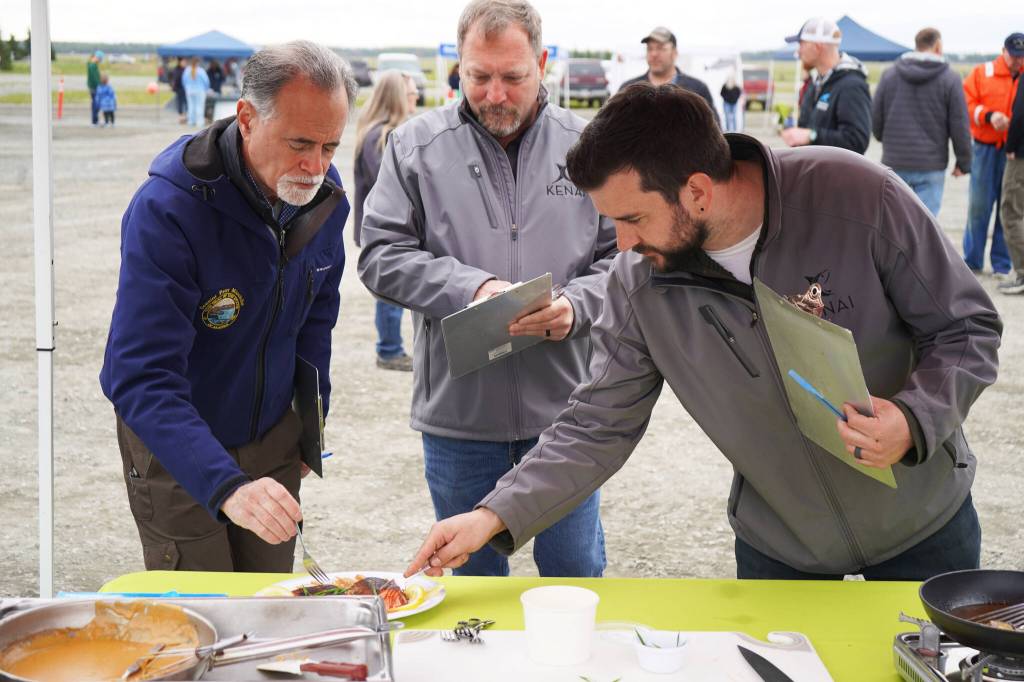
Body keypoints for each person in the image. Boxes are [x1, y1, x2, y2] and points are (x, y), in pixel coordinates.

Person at [405, 84, 1002, 584]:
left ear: (696, 190)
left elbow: (966, 327)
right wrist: (492, 515)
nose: (624, 243)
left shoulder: (858, 194)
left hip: (926, 529)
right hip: (781, 551)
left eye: (633, 218)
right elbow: (595, 425)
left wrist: (914, 418)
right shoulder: (635, 282)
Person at [359, 0, 617, 578]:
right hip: (460, 419)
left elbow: (626, 259)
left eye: (512, 77)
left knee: (574, 574)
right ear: (458, 67)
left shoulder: (590, 147)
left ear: (543, 63)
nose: (495, 94)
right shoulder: (414, 147)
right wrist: (472, 289)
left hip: (565, 417)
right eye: (478, 77)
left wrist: (577, 306)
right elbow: (379, 256)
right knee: (472, 595)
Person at [99, 41, 357, 572]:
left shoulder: (324, 200)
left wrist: (310, 423)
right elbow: (139, 376)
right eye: (300, 143)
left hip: (271, 438)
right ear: (246, 118)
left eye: (330, 146)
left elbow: (316, 322)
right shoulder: (168, 211)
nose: (315, 167)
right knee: (208, 611)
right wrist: (225, 485)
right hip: (177, 444)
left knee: (269, 604)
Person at [354, 71, 420, 371]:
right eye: (410, 92)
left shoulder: (376, 132)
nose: (416, 96)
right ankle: (389, 350)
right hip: (384, 230)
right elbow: (390, 184)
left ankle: (391, 348)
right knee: (391, 294)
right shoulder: (381, 136)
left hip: (380, 227)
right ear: (396, 97)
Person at [871, 28, 971, 217]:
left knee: (893, 222)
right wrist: (963, 162)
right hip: (931, 164)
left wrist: (883, 138)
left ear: (917, 45)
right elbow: (959, 124)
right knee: (926, 227)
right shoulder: (950, 78)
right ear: (938, 46)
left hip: (895, 160)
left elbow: (876, 116)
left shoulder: (889, 74)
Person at [962, 34, 1024, 277]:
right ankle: (972, 261)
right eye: (1013, 55)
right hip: (986, 148)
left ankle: (1002, 263)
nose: (1017, 61)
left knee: (1008, 208)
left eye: (1021, 56)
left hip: (1014, 151)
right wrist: (989, 116)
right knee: (979, 205)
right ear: (1003, 51)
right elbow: (966, 103)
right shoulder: (982, 72)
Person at [782, 17, 871, 154]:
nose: (798, 52)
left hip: (838, 174)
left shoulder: (851, 85)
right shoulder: (815, 82)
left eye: (802, 44)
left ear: (817, 47)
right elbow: (806, 127)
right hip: (815, 172)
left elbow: (856, 141)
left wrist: (811, 136)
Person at [618, 26, 717, 119]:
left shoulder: (697, 89)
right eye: (650, 48)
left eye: (661, 48)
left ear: (674, 53)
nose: (654, 54)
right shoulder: (628, 90)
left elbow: (715, 131)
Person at [998, 33, 1024, 295]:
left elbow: (1019, 117)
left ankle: (1022, 273)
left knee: (1012, 211)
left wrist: (1011, 148)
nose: (1018, 60)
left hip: (1021, 156)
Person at [182, 56, 211, 127]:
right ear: (198, 63)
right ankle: (199, 122)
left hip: (189, 91)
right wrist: (206, 89)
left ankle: (191, 122)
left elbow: (183, 81)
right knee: (200, 106)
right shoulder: (201, 71)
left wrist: (186, 88)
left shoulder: (187, 70)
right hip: (200, 90)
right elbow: (206, 81)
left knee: (191, 106)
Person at [87, 51, 103, 126]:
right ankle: (94, 121)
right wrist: (100, 85)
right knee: (96, 105)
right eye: (100, 59)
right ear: (97, 57)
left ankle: (95, 120)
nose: (100, 61)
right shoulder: (92, 66)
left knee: (96, 104)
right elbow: (95, 78)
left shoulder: (92, 65)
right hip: (94, 88)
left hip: (94, 87)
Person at [170, 57, 187, 124]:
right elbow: (174, 79)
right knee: (180, 103)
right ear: (180, 62)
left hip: (185, 89)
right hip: (179, 89)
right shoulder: (176, 70)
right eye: (183, 62)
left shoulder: (186, 69)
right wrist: (173, 87)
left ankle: (185, 116)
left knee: (186, 103)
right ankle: (181, 116)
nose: (185, 63)